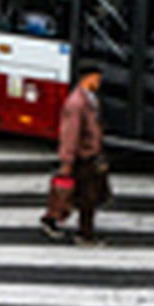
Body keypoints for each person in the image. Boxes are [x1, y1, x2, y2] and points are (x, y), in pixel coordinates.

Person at [40, 64, 109, 246]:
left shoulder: (89, 99)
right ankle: (85, 234)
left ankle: (52, 220)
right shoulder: (76, 103)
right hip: (82, 157)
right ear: (87, 78)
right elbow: (70, 134)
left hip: (88, 155)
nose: (99, 82)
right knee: (88, 198)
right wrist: (67, 160)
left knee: (78, 195)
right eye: (96, 78)